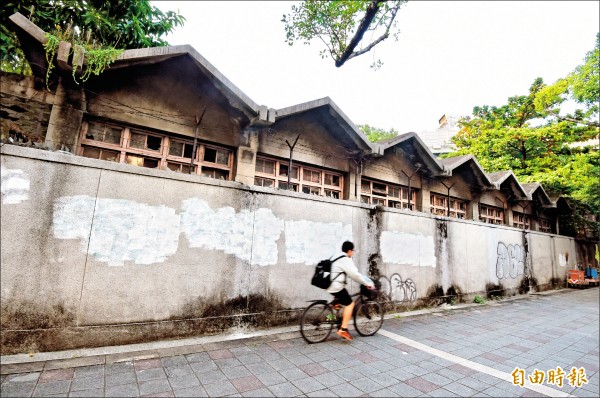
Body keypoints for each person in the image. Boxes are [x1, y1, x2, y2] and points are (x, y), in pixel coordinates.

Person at [327, 240, 374, 341]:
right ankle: (343, 329)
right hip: (336, 286)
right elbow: (355, 275)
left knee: (340, 301)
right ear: (349, 250)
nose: (352, 253)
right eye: (352, 251)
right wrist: (366, 283)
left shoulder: (337, 255)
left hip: (328, 283)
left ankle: (335, 314)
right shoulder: (345, 259)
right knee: (350, 304)